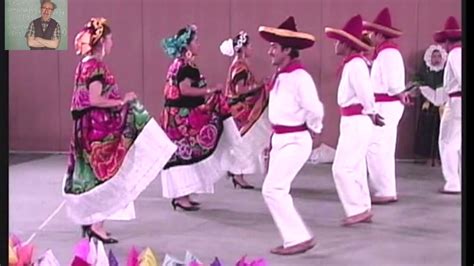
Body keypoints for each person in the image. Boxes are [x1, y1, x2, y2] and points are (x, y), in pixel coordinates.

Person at [62, 18, 177, 244]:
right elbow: (95, 98)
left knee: (93, 175)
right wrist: (121, 101)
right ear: (102, 41)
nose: (112, 42)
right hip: (97, 128)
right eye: (110, 38)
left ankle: (92, 221)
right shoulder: (95, 66)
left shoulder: (84, 63)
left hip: (86, 127)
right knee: (106, 174)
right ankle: (97, 224)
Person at [259, 16, 324, 255]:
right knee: (276, 188)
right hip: (282, 139)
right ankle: (295, 237)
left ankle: (298, 238)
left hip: (295, 140)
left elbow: (315, 109)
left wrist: (315, 128)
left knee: (273, 189)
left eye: (274, 47)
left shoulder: (300, 77)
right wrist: (272, 141)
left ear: (287, 49)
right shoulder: (282, 75)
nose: (270, 52)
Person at [159, 25, 243, 211]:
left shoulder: (179, 64)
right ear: (187, 46)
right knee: (185, 154)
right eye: (196, 41)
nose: (199, 44)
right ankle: (181, 196)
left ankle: (183, 195)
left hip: (174, 116)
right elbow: (184, 90)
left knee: (183, 155)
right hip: (181, 118)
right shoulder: (186, 66)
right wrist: (209, 90)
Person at [325, 14, 385, 226]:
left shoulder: (355, 65)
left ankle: (357, 209)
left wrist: (371, 111)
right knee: (356, 167)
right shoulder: (353, 64)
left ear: (347, 44)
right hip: (354, 120)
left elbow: (366, 93)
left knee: (341, 168)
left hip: (357, 121)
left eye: (339, 41)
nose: (336, 45)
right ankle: (363, 206)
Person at [362, 7, 411, 204]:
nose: (370, 36)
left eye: (373, 33)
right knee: (381, 147)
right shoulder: (384, 53)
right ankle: (384, 188)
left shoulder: (388, 54)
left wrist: (399, 92)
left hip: (385, 105)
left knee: (377, 147)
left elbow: (392, 84)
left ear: (380, 34)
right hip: (386, 104)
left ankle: (384, 190)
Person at [219, 31, 272, 189]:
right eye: (249, 45)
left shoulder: (239, 65)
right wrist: (260, 85)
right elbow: (240, 89)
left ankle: (238, 172)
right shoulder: (240, 67)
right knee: (246, 141)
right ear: (242, 48)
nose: (252, 48)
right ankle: (237, 172)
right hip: (242, 111)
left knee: (246, 141)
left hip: (242, 110)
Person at [431, 16, 462, 194]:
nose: (443, 47)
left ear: (449, 41)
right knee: (456, 142)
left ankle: (452, 182)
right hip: (457, 100)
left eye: (444, 42)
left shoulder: (455, 54)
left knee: (447, 141)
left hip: (457, 102)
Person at [411, 45, 447, 165]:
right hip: (428, 106)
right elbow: (417, 80)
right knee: (426, 130)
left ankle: (439, 158)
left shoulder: (445, 71)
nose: (436, 59)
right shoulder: (425, 70)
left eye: (438, 56)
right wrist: (422, 88)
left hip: (443, 107)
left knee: (440, 131)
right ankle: (424, 157)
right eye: (434, 56)